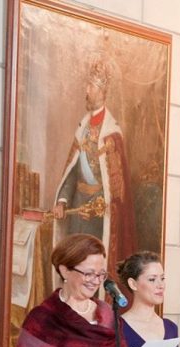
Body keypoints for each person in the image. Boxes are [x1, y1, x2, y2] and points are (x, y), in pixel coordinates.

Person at [53, 58, 136, 282]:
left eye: (90, 86)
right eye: (87, 86)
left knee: (91, 270)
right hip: (76, 211)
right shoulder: (83, 128)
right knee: (72, 267)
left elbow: (116, 192)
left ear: (101, 91)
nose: (86, 91)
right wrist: (62, 200)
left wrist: (99, 207)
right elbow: (72, 172)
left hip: (98, 216)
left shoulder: (112, 133)